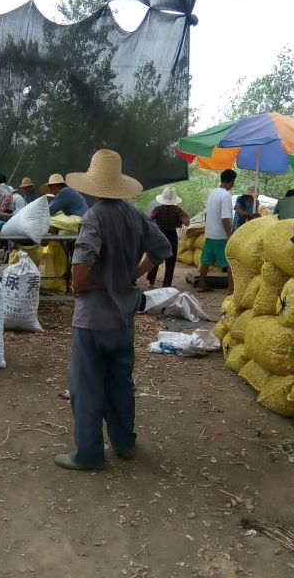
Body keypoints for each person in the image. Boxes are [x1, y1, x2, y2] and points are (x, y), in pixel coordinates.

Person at [55, 149, 171, 471]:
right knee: (121, 383)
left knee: (87, 385)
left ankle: (89, 454)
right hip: (124, 316)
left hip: (93, 319)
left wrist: (80, 284)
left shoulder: (94, 216)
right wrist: (132, 274)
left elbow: (82, 260)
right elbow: (163, 248)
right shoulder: (134, 215)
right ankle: (124, 444)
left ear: (92, 185)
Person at [197, 169, 235, 293]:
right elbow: (225, 218)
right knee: (229, 261)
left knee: (206, 260)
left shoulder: (212, 192)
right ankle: (231, 288)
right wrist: (229, 234)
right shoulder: (226, 195)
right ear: (232, 181)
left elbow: (206, 214)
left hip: (210, 233)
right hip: (220, 235)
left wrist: (208, 228)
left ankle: (201, 285)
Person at [147, 186, 190, 288]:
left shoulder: (157, 209)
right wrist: (183, 216)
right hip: (172, 237)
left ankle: (151, 280)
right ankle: (166, 285)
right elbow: (187, 223)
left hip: (159, 236)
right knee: (170, 262)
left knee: (155, 258)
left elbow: (148, 219)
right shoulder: (178, 210)